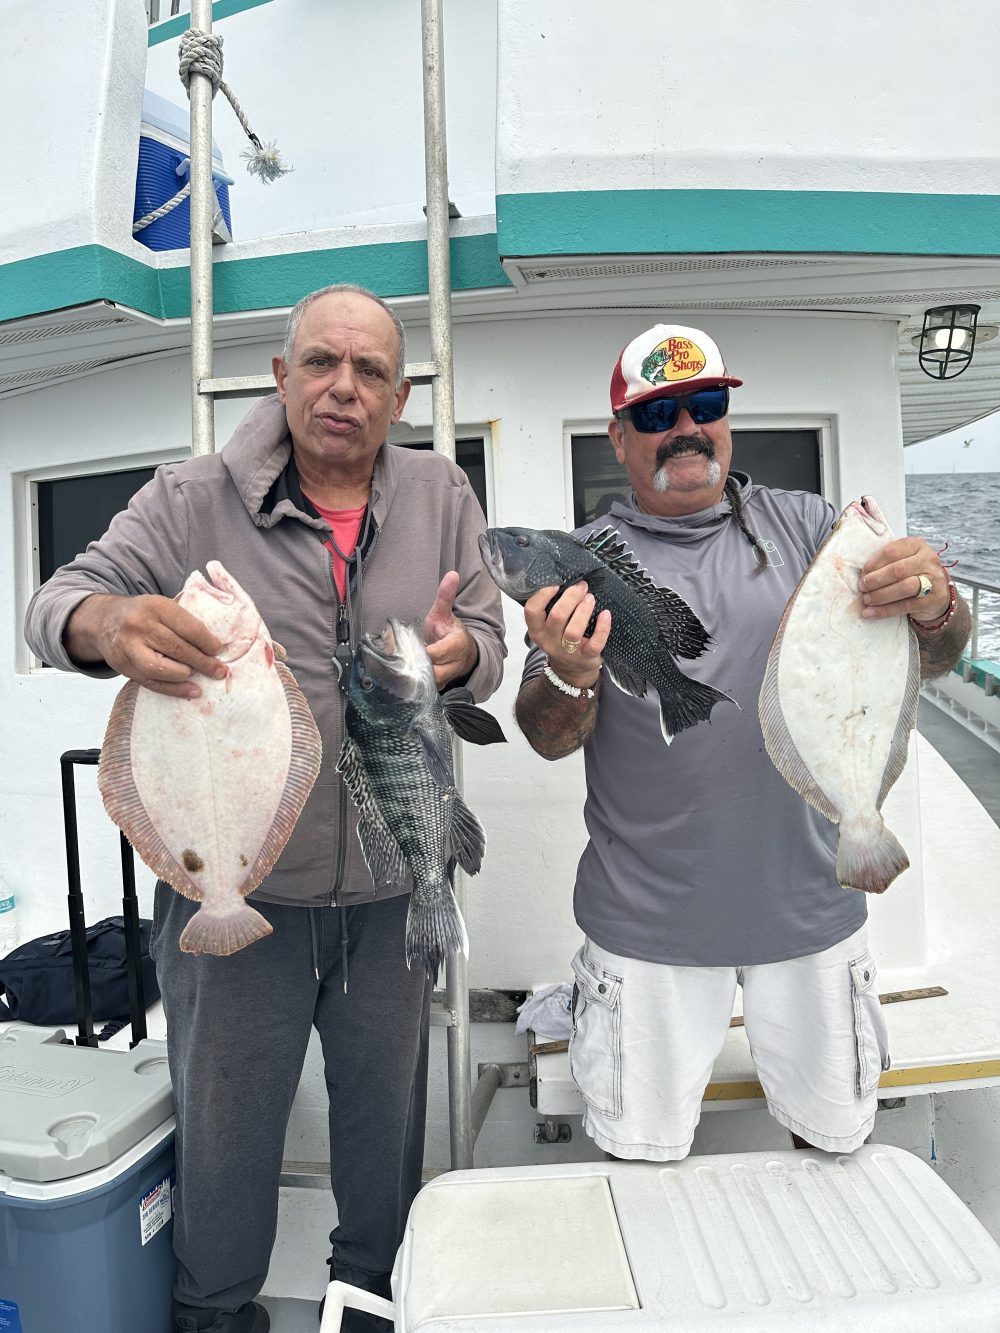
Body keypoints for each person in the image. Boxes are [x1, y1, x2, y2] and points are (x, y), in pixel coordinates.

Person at [24, 284, 506, 1333]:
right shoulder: (189, 500)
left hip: (388, 896)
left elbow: (485, 637)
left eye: (371, 371)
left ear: (401, 395)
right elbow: (52, 602)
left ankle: (369, 1303)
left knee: (384, 1138)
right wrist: (108, 621)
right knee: (226, 1134)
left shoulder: (440, 495)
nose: (344, 387)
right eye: (322, 363)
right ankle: (214, 1313)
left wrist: (464, 655)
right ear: (279, 376)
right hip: (232, 894)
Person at [514, 323, 970, 1163]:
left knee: (837, 1143)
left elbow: (932, 659)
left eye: (707, 402)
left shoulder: (814, 529)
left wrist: (937, 604)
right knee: (641, 1157)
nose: (686, 425)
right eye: (657, 413)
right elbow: (546, 732)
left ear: (728, 418)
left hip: (815, 909)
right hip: (643, 929)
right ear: (618, 437)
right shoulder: (576, 561)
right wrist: (574, 673)